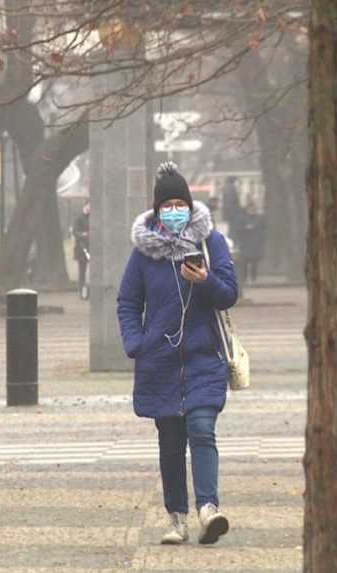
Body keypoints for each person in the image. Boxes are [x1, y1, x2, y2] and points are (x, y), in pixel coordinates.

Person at [117, 161, 238, 546]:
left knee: (202, 429)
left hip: (204, 359)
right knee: (171, 444)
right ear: (156, 210)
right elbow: (127, 302)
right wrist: (137, 343)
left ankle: (208, 509)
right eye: (166, 204)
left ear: (189, 205)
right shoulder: (143, 255)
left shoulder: (210, 243)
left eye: (179, 203)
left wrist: (205, 281)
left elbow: (229, 293)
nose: (173, 210)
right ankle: (177, 518)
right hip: (160, 364)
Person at [236, 198, 266, 284]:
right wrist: (246, 228)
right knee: (244, 261)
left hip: (255, 242)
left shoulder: (259, 217)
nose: (251, 210)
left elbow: (263, 229)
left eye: (253, 208)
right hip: (245, 242)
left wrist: (259, 235)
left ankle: (253, 278)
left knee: (254, 261)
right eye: (250, 208)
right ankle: (244, 278)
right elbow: (238, 229)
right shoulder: (242, 217)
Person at [72, 200, 91, 300]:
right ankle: (81, 292)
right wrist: (83, 234)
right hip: (81, 248)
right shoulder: (79, 217)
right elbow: (75, 232)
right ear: (85, 205)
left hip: (91, 248)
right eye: (89, 206)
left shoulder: (92, 217)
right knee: (82, 272)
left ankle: (89, 291)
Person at [221, 176, 243, 245]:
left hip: (231, 213)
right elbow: (231, 202)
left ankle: (231, 242)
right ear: (233, 182)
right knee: (233, 228)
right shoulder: (230, 189)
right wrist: (238, 210)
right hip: (233, 213)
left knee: (232, 228)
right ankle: (232, 242)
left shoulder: (227, 189)